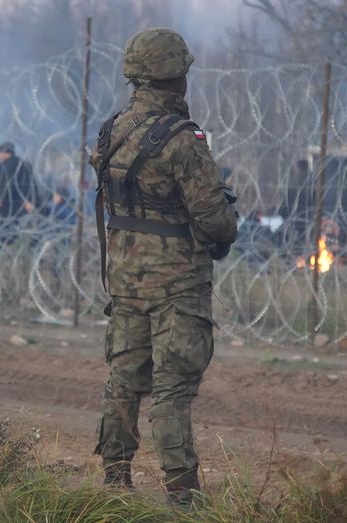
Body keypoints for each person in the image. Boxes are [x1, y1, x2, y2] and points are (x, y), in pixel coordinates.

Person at [90, 27, 238, 510]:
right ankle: (183, 497)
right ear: (176, 76)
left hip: (127, 279)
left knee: (124, 380)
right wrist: (224, 225)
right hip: (178, 284)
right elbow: (215, 221)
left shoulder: (113, 129)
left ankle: (114, 484)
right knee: (172, 390)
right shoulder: (182, 139)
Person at [0, 142, 36, 241]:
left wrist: (0, 200)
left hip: (7, 203)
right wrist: (29, 200)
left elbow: (6, 183)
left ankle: (6, 245)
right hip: (21, 202)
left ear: (5, 153)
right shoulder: (23, 164)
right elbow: (31, 183)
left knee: (5, 227)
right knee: (15, 225)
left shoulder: (6, 165)